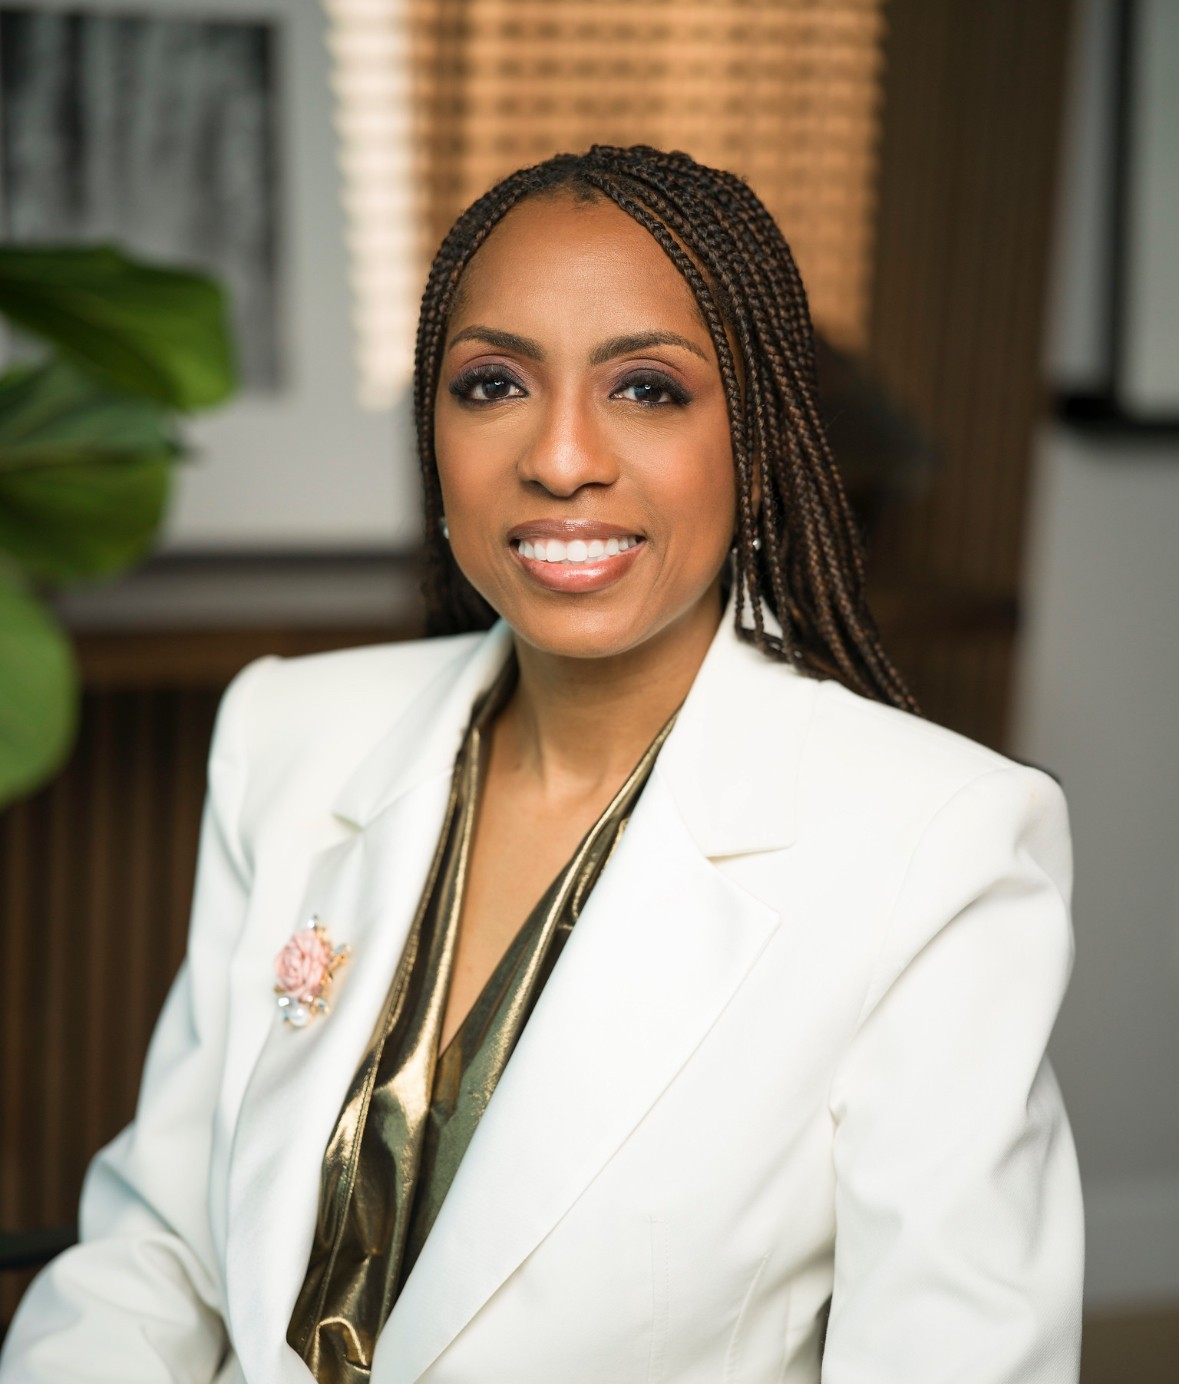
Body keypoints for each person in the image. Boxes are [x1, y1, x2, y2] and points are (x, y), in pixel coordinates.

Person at [1, 145, 1082, 1383]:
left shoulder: (940, 846)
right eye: (495, 382)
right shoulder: (289, 736)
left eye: (650, 390)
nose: (561, 457)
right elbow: (157, 1248)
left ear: (761, 436)